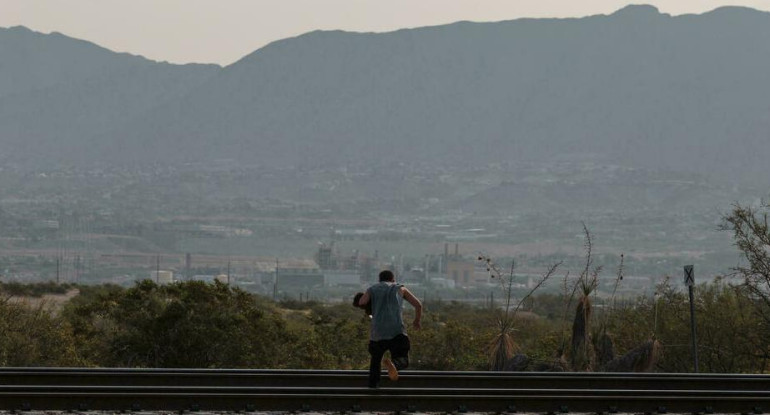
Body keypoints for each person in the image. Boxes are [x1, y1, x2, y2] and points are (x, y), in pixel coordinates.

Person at [357, 269, 422, 388]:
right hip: (397, 330)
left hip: (377, 332)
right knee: (403, 359)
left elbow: (362, 302)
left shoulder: (372, 289)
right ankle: (394, 364)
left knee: (375, 360)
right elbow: (418, 304)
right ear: (393, 279)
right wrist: (416, 321)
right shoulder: (400, 288)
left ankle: (373, 386)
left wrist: (371, 303)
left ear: (379, 280)